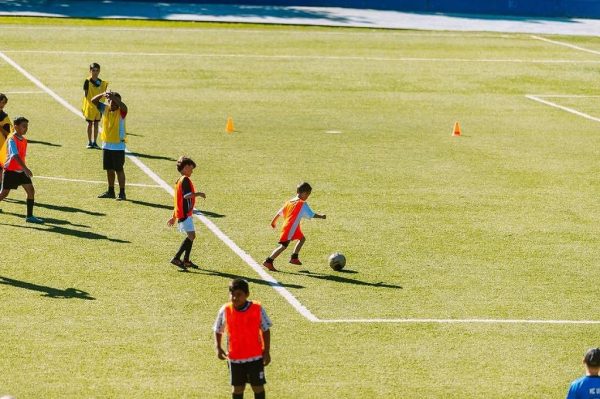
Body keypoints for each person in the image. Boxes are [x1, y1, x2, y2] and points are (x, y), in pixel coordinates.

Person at [214, 278, 272, 399]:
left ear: (247, 295)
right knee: (237, 388)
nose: (235, 298)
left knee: (258, 387)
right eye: (232, 294)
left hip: (255, 357)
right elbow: (218, 329)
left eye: (239, 295)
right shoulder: (225, 310)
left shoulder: (257, 309)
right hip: (235, 357)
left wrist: (266, 351)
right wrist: (218, 347)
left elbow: (265, 329)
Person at [263, 182, 326, 271]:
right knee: (283, 246)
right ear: (304, 193)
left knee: (302, 238)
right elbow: (311, 215)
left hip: (290, 226)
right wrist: (321, 216)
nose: (308, 197)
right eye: (308, 194)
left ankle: (294, 258)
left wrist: (273, 221)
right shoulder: (302, 204)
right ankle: (268, 261)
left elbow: (279, 212)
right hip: (290, 228)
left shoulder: (289, 202)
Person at [0, 116, 44, 223]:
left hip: (21, 171)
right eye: (24, 126)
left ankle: (29, 216)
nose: (26, 128)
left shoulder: (24, 140)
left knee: (31, 190)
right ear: (16, 126)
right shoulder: (11, 139)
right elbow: (15, 155)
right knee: (4, 193)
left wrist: (23, 169)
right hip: (11, 171)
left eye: (27, 126)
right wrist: (26, 169)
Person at [166, 156, 206, 270]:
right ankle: (177, 258)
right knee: (191, 236)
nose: (192, 171)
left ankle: (186, 260)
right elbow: (186, 196)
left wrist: (173, 216)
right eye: (191, 168)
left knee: (192, 236)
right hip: (184, 213)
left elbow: (177, 200)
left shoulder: (179, 180)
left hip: (183, 213)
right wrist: (199, 194)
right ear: (186, 167)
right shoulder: (185, 180)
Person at [91, 90, 128, 201]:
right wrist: (103, 94)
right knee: (109, 170)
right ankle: (110, 191)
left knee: (119, 170)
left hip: (118, 146)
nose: (115, 104)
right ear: (109, 101)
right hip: (106, 145)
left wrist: (113, 97)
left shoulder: (122, 112)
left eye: (117, 102)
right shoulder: (105, 109)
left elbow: (124, 106)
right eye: (112, 101)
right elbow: (93, 100)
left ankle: (122, 193)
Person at [82, 63, 108, 149]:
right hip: (90, 106)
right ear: (90, 71)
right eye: (93, 70)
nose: (95, 72)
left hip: (98, 107)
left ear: (99, 71)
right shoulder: (87, 81)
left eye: (97, 70)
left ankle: (95, 142)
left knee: (96, 123)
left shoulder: (101, 82)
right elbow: (86, 94)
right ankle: (89, 142)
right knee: (90, 123)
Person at [0, 93, 13, 185]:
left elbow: (8, 134)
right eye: (2, 102)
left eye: (4, 103)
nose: (3, 105)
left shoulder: (4, 117)